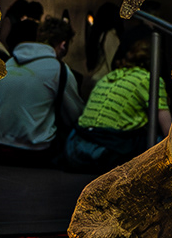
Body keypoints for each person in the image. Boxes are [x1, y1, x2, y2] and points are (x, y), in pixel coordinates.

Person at [0, 14, 80, 164]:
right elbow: (75, 115)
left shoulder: (9, 63)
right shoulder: (59, 69)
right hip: (36, 152)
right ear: (63, 45)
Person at [66, 26, 157, 172]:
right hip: (110, 150)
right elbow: (167, 129)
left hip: (77, 147)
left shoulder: (108, 78)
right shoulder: (149, 80)